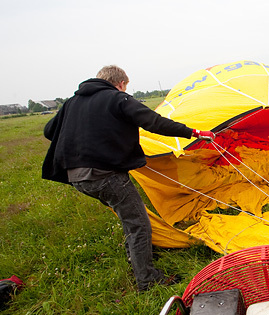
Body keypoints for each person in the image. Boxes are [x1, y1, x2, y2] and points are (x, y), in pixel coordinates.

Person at [42, 65, 213, 291]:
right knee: (139, 224)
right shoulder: (117, 98)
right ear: (121, 83)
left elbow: (48, 131)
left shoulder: (72, 102)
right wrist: (192, 132)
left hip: (77, 177)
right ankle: (147, 279)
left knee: (129, 216)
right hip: (105, 175)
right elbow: (153, 121)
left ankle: (137, 258)